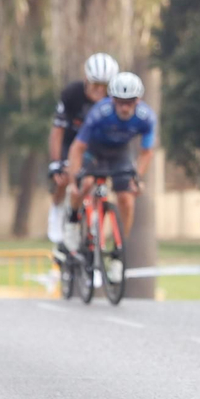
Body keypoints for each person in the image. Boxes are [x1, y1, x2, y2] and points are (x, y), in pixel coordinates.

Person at [64, 72, 156, 270]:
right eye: (120, 102)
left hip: (120, 154)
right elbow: (77, 148)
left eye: (130, 102)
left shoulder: (146, 117)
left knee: (126, 199)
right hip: (93, 151)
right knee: (86, 183)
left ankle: (118, 252)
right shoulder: (100, 112)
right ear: (112, 99)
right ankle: (72, 219)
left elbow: (147, 152)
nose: (124, 107)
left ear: (138, 100)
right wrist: (73, 181)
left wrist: (137, 177)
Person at [48, 53, 120, 247]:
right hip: (71, 143)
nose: (99, 91)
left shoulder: (114, 100)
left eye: (104, 86)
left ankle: (94, 225)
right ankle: (57, 211)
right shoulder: (72, 94)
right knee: (65, 177)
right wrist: (56, 163)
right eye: (95, 85)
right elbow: (57, 131)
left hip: (94, 145)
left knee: (92, 181)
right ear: (86, 79)